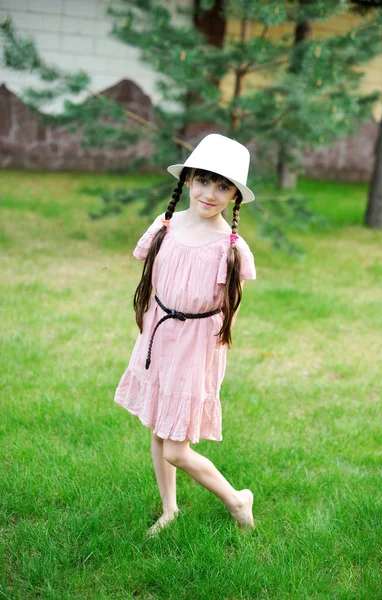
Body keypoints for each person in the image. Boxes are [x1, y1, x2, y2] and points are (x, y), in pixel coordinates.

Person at [114, 133, 257, 537]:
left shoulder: (228, 247)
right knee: (158, 430)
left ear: (234, 197)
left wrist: (199, 349)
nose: (210, 193)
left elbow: (228, 309)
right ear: (189, 180)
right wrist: (152, 327)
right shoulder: (166, 226)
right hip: (160, 336)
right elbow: (157, 283)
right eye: (203, 181)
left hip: (196, 345)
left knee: (177, 448)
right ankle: (170, 508)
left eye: (223, 186)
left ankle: (236, 498)